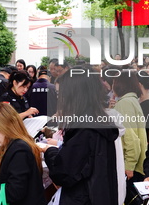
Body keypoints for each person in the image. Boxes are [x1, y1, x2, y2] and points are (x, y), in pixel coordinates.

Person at [42, 66, 120, 205]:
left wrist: (50, 151)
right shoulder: (98, 122)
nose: (59, 99)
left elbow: (64, 173)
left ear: (74, 95)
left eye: (60, 94)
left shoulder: (84, 129)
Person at [112, 70, 147, 205]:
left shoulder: (125, 103)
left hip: (131, 164)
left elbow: (131, 138)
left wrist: (129, 165)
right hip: (138, 161)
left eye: (114, 82)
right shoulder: (130, 100)